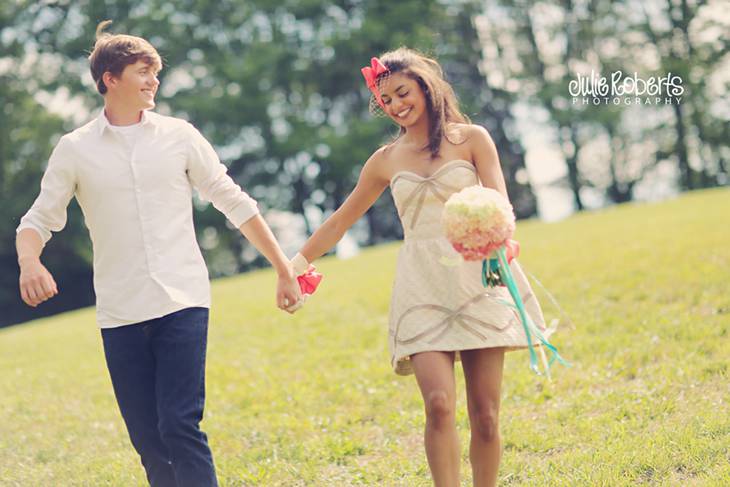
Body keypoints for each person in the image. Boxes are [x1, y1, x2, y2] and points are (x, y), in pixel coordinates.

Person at [15, 21, 302, 486]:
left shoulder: (179, 135)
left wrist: (282, 267)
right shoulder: (74, 150)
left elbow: (233, 200)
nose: (154, 82)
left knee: (179, 425)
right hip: (120, 311)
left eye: (156, 72)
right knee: (149, 441)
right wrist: (31, 261)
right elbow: (37, 220)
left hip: (182, 299)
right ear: (110, 78)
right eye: (143, 72)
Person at [289, 48, 550, 487]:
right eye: (386, 99)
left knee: (485, 414)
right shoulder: (385, 160)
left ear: (426, 87)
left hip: (478, 277)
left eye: (401, 93)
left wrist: (504, 240)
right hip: (422, 286)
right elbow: (340, 220)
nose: (395, 105)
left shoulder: (473, 139)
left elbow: (499, 202)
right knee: (439, 404)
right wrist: (293, 266)